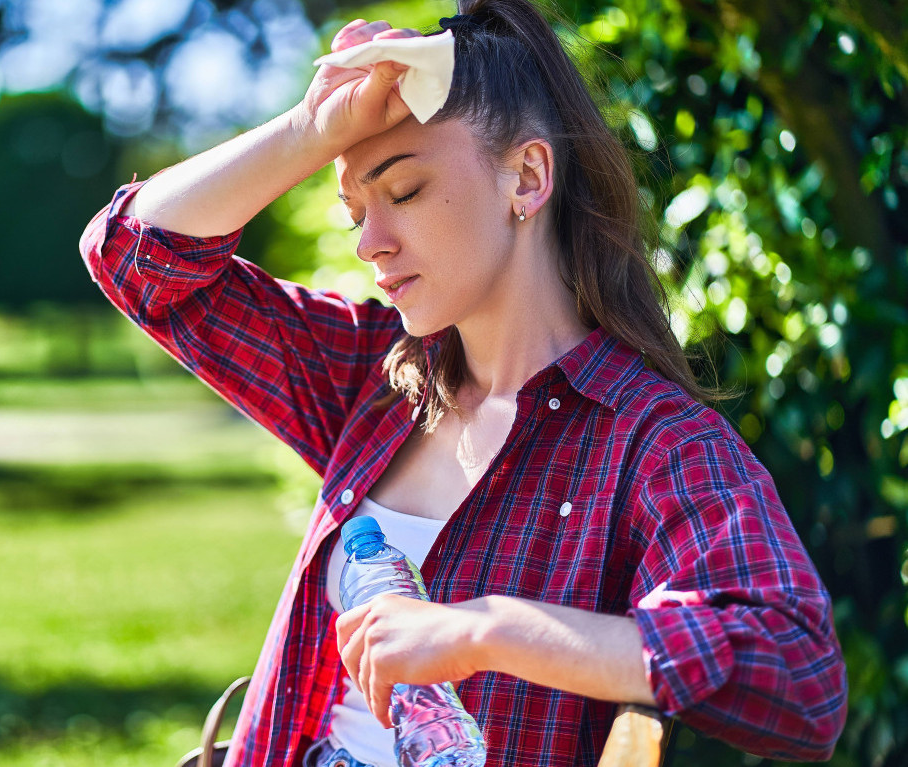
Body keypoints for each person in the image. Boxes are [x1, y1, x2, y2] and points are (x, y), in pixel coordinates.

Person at [78, 1, 848, 765]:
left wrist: (485, 629)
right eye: (355, 212)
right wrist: (312, 129)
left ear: (528, 177)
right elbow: (133, 258)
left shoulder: (653, 443)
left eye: (404, 191)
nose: (370, 244)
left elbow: (800, 675)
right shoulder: (376, 378)